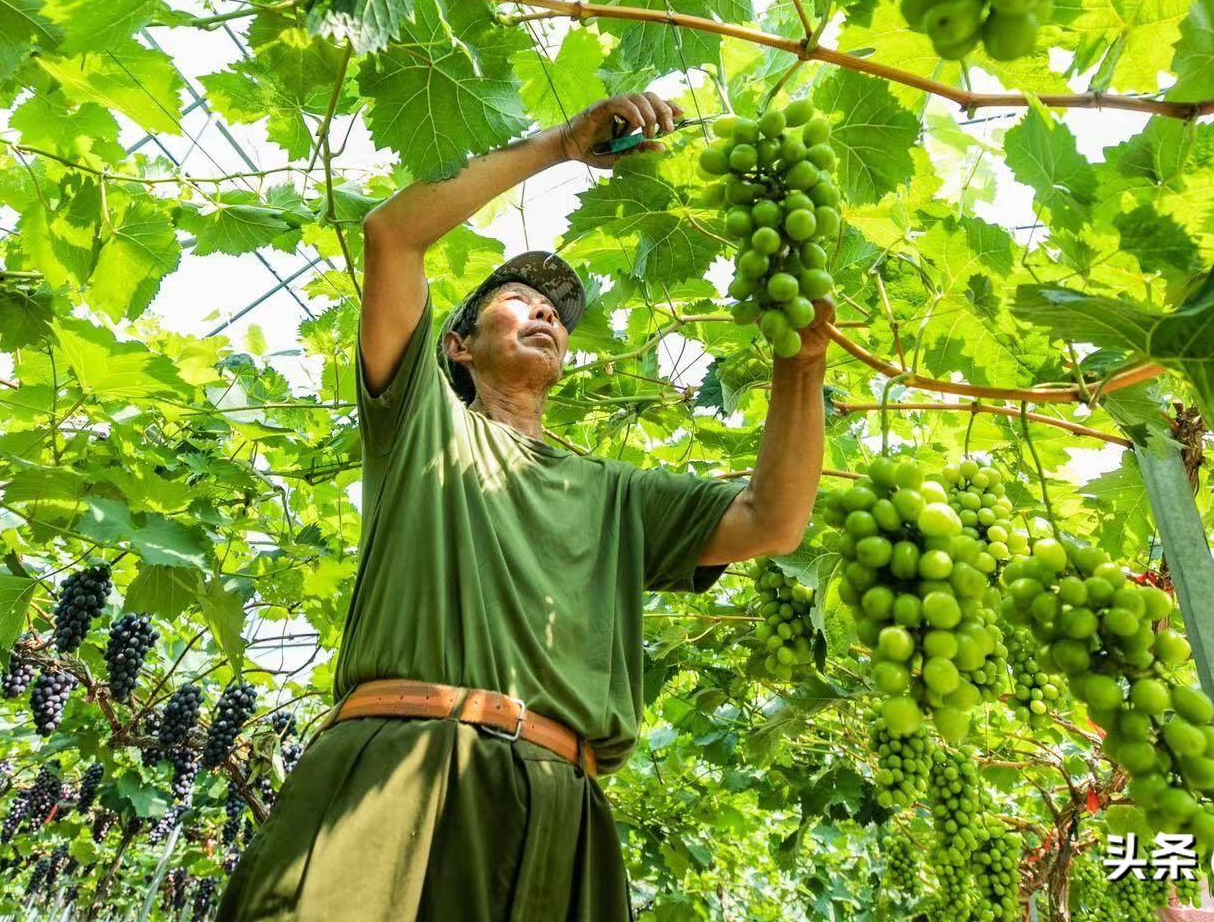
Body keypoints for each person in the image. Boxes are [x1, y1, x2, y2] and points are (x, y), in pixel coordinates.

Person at [217, 92, 831, 921]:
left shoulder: (616, 494)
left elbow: (774, 520)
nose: (544, 310)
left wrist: (803, 367)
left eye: (557, 313)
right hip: (400, 766)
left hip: (562, 807)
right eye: (517, 298)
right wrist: (561, 144)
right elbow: (392, 235)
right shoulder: (419, 423)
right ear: (457, 345)